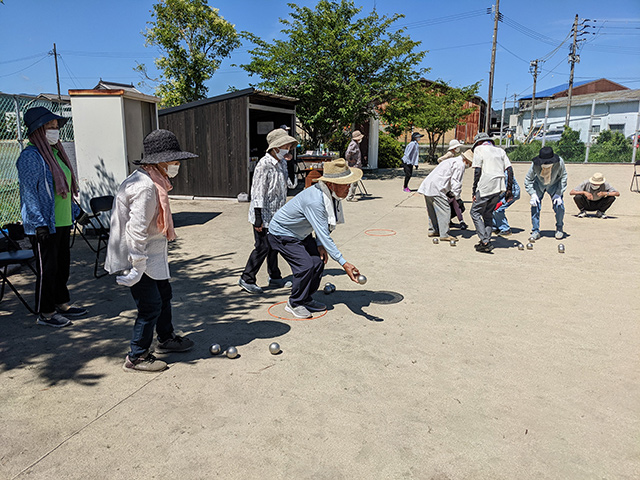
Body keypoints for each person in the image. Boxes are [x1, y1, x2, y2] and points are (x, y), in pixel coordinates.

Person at [105, 129, 197, 373]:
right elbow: (135, 231)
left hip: (152, 252)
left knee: (164, 294)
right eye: (174, 161)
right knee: (150, 306)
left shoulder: (155, 181)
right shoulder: (145, 187)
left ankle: (165, 339)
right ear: (160, 161)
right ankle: (136, 356)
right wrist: (137, 266)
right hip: (137, 254)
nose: (177, 165)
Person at [17, 106, 87, 327]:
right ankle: (46, 313)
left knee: (62, 266)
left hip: (63, 220)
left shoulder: (56, 154)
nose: (55, 131)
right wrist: (39, 224)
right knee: (47, 270)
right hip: (45, 225)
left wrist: (77, 212)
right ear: (38, 130)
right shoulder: (31, 157)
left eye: (56, 126)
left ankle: (62, 303)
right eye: (50, 127)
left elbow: (63, 191)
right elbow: (29, 193)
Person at [267, 159, 362, 319]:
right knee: (305, 266)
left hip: (301, 233)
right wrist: (343, 263)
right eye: (345, 184)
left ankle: (306, 298)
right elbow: (323, 232)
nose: (348, 188)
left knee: (318, 263)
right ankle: (294, 303)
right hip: (281, 233)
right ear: (331, 184)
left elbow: (323, 227)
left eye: (349, 184)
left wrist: (320, 244)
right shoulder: (315, 200)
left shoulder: (330, 195)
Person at [238, 128, 297, 294]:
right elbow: (257, 191)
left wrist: (292, 166)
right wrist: (258, 217)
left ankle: (275, 276)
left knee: (274, 246)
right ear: (276, 147)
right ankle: (247, 278)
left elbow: (291, 185)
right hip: (262, 214)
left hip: (277, 214)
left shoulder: (283, 163)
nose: (288, 149)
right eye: (286, 145)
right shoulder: (263, 165)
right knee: (262, 246)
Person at [469, 132, 514, 253]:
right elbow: (509, 170)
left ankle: (484, 241)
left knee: (475, 212)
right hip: (499, 186)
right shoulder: (500, 150)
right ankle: (486, 239)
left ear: (478, 142)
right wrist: (509, 190)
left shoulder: (479, 149)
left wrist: (474, 190)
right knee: (488, 214)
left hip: (486, 185)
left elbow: (477, 171)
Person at [417, 147, 473, 241]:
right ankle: (444, 234)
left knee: (432, 211)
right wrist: (457, 197)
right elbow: (456, 182)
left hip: (428, 186)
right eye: (471, 163)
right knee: (445, 211)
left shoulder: (452, 161)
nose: (470, 166)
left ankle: (433, 230)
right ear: (467, 160)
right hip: (438, 188)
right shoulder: (460, 165)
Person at [524, 146, 568, 240]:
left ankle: (559, 228)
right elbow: (528, 179)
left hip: (554, 184)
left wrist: (559, 193)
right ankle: (535, 230)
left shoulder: (560, 162)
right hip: (539, 185)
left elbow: (563, 177)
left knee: (559, 206)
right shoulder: (535, 164)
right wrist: (533, 194)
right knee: (535, 206)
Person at [492, 168, 521, 236]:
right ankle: (495, 227)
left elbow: (503, 190)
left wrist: (501, 202)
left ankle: (506, 229)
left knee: (498, 209)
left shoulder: (504, 175)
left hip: (511, 194)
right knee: (492, 207)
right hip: (504, 193)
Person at [345, 130, 364, 202]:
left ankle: (350, 196)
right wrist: (350, 160)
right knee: (354, 182)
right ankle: (350, 197)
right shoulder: (353, 144)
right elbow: (347, 153)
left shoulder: (355, 144)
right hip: (354, 166)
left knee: (354, 182)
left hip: (356, 165)